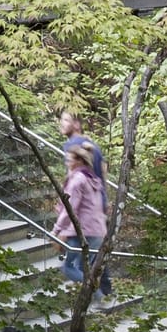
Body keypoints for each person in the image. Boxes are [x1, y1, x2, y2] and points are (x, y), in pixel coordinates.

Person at [51, 142, 112, 293]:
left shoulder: (78, 179)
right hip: (97, 231)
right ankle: (91, 302)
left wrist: (56, 230)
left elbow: (70, 209)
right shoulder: (92, 178)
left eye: (69, 160)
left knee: (69, 268)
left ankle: (99, 299)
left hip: (84, 232)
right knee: (83, 270)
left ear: (79, 161)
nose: (67, 163)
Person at [59, 109, 107, 186]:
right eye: (61, 120)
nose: (61, 123)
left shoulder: (72, 145)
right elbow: (104, 170)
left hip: (82, 196)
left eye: (66, 120)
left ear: (77, 124)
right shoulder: (93, 145)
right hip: (98, 194)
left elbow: (72, 176)